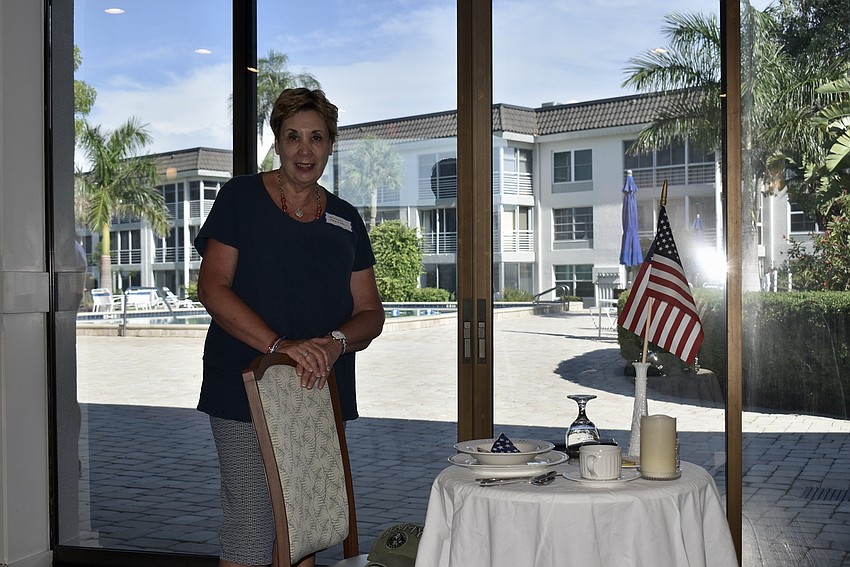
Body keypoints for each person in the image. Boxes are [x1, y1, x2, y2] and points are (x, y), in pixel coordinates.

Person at [194, 87, 385, 567]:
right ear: (277, 142)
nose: (305, 149)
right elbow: (213, 289)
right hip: (245, 382)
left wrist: (334, 344)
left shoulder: (346, 219)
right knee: (253, 523)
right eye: (293, 136)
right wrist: (282, 347)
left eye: (317, 138)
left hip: (317, 383)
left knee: (305, 525)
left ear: (330, 145)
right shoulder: (240, 198)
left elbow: (370, 312)